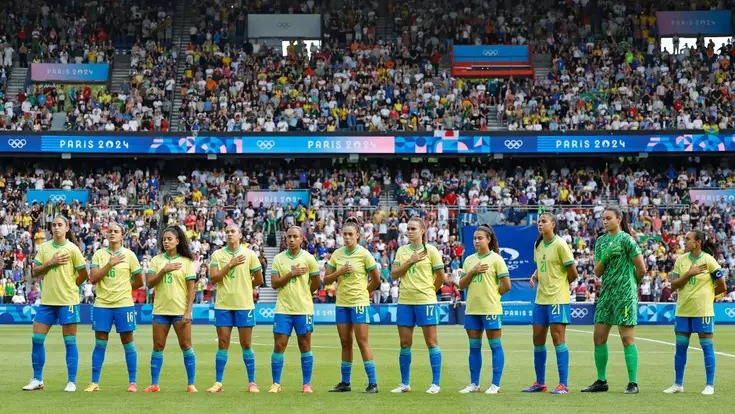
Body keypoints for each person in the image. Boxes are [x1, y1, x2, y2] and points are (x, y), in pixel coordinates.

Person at [581, 206, 646, 394]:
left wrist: (631, 285)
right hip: (606, 294)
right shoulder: (601, 242)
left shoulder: (627, 240)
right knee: (599, 337)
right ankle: (601, 381)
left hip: (624, 295)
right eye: (603, 218)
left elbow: (641, 269)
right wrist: (607, 256)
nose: (605, 221)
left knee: (627, 338)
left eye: (608, 218)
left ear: (619, 219)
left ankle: (633, 382)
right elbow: (597, 271)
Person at [23, 216, 88, 392]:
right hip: (47, 302)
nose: (56, 228)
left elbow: (84, 274)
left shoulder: (73, 249)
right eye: (54, 225)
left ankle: (72, 381)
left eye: (60, 225)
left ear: (66, 228)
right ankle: (37, 379)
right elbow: (35, 271)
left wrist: (71, 286)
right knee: (37, 338)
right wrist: (51, 263)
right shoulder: (44, 248)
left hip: (67, 301)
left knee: (69, 341)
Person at [663, 230, 726, 395]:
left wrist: (709, 296)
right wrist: (689, 273)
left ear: (697, 242)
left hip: (703, 311)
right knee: (680, 348)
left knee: (707, 347)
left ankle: (709, 385)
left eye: (688, 239)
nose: (684, 241)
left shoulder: (709, 260)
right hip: (683, 310)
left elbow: (722, 285)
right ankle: (678, 384)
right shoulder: (681, 260)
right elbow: (673, 285)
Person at [324, 218, 381, 393]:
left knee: (362, 341)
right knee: (345, 342)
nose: (347, 237)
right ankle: (345, 383)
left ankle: (373, 383)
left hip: (359, 304)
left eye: (350, 234)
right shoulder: (337, 254)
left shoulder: (364, 254)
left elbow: (376, 279)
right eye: (345, 234)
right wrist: (339, 272)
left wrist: (365, 293)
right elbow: (326, 279)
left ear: (358, 236)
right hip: (342, 304)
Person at [85, 223, 144, 392]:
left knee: (128, 342)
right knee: (100, 343)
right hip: (102, 304)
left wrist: (125, 289)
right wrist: (110, 264)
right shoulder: (99, 255)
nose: (112, 233)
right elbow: (93, 278)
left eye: (116, 231)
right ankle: (94, 382)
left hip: (124, 304)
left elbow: (139, 281)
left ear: (121, 235)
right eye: (109, 231)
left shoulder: (129, 255)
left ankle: (132, 382)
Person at [523, 213, 578, 394]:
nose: (540, 224)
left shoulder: (561, 244)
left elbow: (573, 273)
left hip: (557, 299)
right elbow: (542, 265)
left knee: (557, 339)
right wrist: (535, 274)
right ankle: (540, 383)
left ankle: (564, 384)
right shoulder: (537, 245)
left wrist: (560, 286)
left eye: (544, 221)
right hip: (541, 299)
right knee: (537, 339)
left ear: (553, 224)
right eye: (539, 221)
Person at [206, 223, 264, 393]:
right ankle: (218, 383)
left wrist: (246, 286)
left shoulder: (250, 254)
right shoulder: (217, 254)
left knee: (246, 343)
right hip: (223, 305)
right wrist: (230, 264)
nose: (230, 234)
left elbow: (259, 279)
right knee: (223, 343)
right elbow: (214, 278)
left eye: (233, 231)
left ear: (240, 235)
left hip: (244, 304)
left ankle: (252, 382)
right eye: (227, 232)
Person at [390, 217, 445, 394]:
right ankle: (405, 384)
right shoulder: (401, 251)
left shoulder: (432, 251)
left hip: (425, 301)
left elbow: (441, 277)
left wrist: (429, 292)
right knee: (405, 343)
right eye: (408, 228)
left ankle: (435, 383)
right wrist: (410, 260)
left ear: (422, 231)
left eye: (413, 228)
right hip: (405, 301)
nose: (410, 231)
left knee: (431, 341)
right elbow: (394, 274)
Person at [143, 226, 198, 393]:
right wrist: (164, 270)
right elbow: (150, 283)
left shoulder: (187, 262)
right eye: (164, 239)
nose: (166, 242)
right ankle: (154, 384)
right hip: (160, 310)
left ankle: (191, 384)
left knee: (186, 345)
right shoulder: (156, 260)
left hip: (180, 311)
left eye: (169, 239)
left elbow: (191, 289)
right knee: (158, 346)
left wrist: (188, 311)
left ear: (177, 241)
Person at [458, 226, 511, 395]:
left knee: (495, 346)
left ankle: (495, 384)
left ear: (488, 239)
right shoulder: (469, 260)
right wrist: (472, 272)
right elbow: (461, 285)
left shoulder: (496, 259)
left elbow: (507, 285)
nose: (476, 241)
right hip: (472, 309)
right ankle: (474, 384)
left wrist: (494, 296)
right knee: (474, 347)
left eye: (480, 238)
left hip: (490, 309)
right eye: (474, 238)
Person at [268, 226, 321, 393]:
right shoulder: (278, 258)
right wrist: (292, 274)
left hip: (303, 308)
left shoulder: (309, 258)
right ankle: (276, 383)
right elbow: (274, 283)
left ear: (301, 238)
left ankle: (306, 384)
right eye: (289, 236)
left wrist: (304, 293)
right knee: (279, 345)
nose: (291, 239)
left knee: (305, 345)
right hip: (283, 309)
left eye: (295, 236)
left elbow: (316, 283)